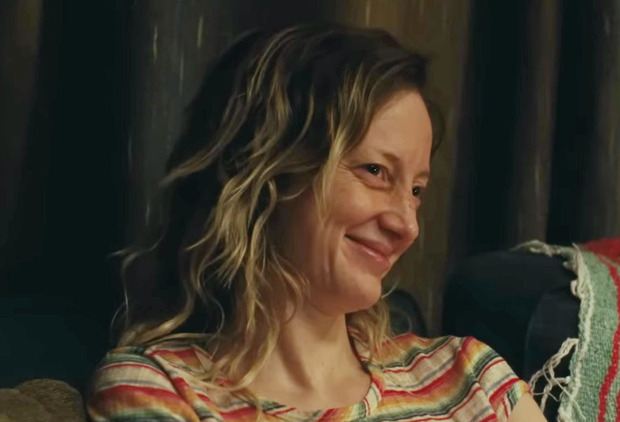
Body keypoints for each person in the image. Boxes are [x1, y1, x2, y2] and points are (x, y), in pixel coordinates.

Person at [87, 23, 546, 422]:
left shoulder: (471, 378)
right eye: (375, 171)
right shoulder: (160, 390)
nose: (408, 226)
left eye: (416, 190)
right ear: (268, 171)